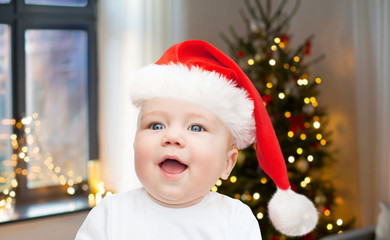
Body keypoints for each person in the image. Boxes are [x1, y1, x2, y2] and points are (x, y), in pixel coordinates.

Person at [75, 40, 318, 240]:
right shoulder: (110, 216)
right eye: (156, 125)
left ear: (227, 164)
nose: (171, 137)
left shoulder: (234, 220)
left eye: (196, 127)